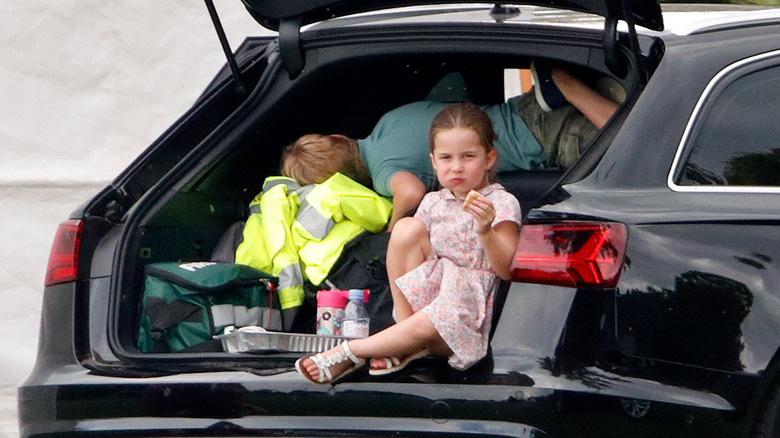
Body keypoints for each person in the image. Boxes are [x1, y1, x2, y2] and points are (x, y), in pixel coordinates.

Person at [295, 102, 522, 383]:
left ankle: (350, 352)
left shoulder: (501, 202)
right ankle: (404, 335)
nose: (456, 167)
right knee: (405, 227)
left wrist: (486, 231)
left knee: (437, 314)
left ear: (489, 159)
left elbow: (507, 269)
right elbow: (413, 256)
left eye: (468, 156)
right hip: (429, 301)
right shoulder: (432, 201)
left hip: (463, 313)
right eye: (446, 158)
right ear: (433, 161)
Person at [281, 62, 620, 231]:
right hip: (524, 108)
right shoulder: (389, 120)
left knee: (626, 135)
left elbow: (411, 192)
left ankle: (569, 87)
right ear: (340, 137)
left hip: (546, 143)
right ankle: (570, 90)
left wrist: (389, 231)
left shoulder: (385, 174)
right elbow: (455, 94)